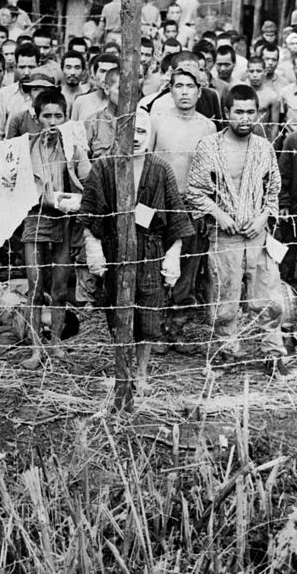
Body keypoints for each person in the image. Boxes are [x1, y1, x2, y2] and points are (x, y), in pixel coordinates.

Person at [79, 108, 192, 391]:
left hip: (150, 250)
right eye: (131, 132)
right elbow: (89, 215)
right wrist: (94, 250)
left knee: (149, 315)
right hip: (115, 249)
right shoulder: (104, 167)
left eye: (143, 132)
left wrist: (173, 254)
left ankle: (141, 373)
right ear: (118, 135)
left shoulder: (160, 169)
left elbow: (176, 217)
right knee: (117, 314)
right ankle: (122, 371)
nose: (137, 138)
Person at [185, 84, 287, 369]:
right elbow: (195, 191)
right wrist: (219, 214)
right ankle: (227, 349)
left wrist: (263, 218)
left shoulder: (264, 147)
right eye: (238, 112)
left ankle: (273, 352)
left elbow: (273, 191)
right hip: (225, 236)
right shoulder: (210, 146)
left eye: (250, 112)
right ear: (226, 112)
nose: (245, 118)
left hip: (258, 235)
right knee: (224, 298)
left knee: (268, 295)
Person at [20, 89, 90, 369]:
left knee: (60, 287)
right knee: (35, 287)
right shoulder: (25, 146)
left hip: (65, 220)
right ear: (36, 118)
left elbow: (87, 178)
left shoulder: (73, 146)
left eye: (57, 116)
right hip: (35, 219)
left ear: (65, 117)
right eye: (46, 116)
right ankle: (36, 349)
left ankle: (56, 343)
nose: (51, 121)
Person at [147, 67, 216, 346]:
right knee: (157, 267)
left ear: (200, 91)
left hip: (193, 204)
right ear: (170, 90)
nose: (184, 91)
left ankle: (177, 327)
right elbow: (146, 161)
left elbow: (211, 172)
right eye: (178, 86)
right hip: (161, 204)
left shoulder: (207, 126)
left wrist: (206, 208)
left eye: (190, 86)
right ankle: (156, 328)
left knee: (188, 269)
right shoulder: (157, 120)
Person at [0, 41, 39, 138]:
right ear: (15, 67)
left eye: (31, 67)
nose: (26, 72)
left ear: (39, 66)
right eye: (22, 67)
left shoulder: (46, 95)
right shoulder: (5, 94)